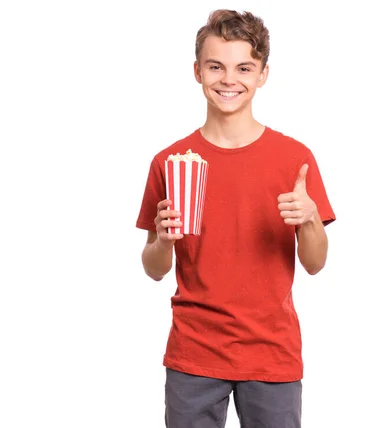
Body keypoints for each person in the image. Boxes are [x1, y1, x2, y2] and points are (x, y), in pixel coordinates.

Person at [136, 9, 336, 428]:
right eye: (216, 66)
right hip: (194, 352)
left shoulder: (293, 159)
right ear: (197, 72)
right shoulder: (170, 163)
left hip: (272, 353)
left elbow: (315, 264)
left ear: (263, 74)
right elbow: (155, 269)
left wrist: (310, 219)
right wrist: (163, 240)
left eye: (244, 67)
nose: (229, 79)